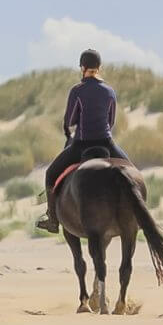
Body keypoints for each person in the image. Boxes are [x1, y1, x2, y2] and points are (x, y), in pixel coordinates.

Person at [36, 49, 130, 233]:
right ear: (100, 67)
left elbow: (70, 120)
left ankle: (52, 219)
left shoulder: (77, 91)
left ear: (82, 68)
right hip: (106, 143)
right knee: (132, 172)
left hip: (81, 144)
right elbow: (111, 121)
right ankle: (139, 214)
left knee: (50, 174)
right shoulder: (110, 91)